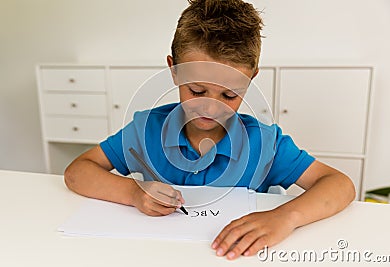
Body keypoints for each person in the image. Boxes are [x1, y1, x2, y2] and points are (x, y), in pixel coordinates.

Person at [64, 0, 356, 261]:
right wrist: (133, 193)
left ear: (251, 78)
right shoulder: (146, 129)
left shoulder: (266, 143)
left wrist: (284, 217)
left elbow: (339, 184)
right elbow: (78, 172)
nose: (211, 108)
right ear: (174, 70)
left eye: (229, 95)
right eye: (197, 90)